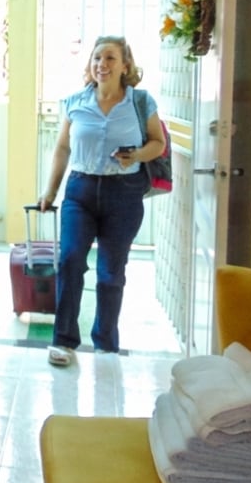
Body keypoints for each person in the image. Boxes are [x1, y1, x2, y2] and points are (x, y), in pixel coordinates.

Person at [37, 35, 164, 367]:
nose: (101, 65)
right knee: (70, 261)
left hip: (124, 193)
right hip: (80, 191)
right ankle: (63, 341)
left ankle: (106, 344)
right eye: (96, 58)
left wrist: (136, 155)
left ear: (125, 65)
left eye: (109, 58)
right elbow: (62, 148)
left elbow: (158, 143)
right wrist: (50, 191)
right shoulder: (75, 102)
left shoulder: (140, 102)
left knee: (110, 272)